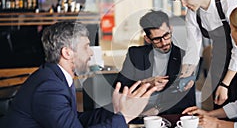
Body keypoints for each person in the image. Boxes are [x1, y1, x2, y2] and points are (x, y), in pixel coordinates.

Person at [1, 21, 156, 128]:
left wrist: (114, 110)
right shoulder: (49, 87)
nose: (90, 53)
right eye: (86, 47)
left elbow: (75, 120)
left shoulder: (55, 77)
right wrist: (124, 117)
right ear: (67, 52)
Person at [164, 0, 237, 109]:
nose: (183, 4)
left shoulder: (230, 4)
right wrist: (186, 76)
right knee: (220, 110)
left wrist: (225, 84)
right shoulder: (193, 14)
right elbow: (193, 48)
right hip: (219, 62)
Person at [114, 10, 195, 118]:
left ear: (171, 29)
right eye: (157, 39)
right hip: (138, 113)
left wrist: (157, 109)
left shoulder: (185, 58)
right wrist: (144, 83)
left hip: (170, 114)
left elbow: (186, 100)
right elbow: (119, 86)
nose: (164, 43)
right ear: (147, 39)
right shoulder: (135, 54)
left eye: (166, 35)